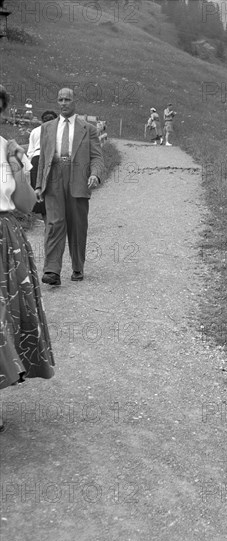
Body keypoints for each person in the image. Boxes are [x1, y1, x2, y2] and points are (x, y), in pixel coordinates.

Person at [0, 85, 55, 431]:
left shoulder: (5, 148)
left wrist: (16, 165)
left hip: (6, 239)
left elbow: (24, 204)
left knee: (6, 318)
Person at [36, 88, 104, 286]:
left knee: (77, 226)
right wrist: (39, 185)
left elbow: (97, 157)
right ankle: (52, 270)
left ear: (75, 102)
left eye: (67, 99)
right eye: (60, 99)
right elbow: (42, 160)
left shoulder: (88, 129)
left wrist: (95, 174)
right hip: (53, 177)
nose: (64, 103)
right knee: (54, 224)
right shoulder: (47, 128)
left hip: (78, 179)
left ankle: (77, 266)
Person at [27, 110, 58, 219]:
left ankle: (46, 220)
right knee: (52, 187)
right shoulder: (57, 130)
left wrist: (31, 164)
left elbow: (30, 151)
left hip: (36, 158)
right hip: (51, 158)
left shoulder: (35, 131)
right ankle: (53, 218)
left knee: (38, 188)